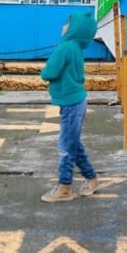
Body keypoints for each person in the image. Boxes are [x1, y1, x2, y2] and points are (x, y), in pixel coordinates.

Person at [40, 11, 99, 202]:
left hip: (71, 103)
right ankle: (91, 178)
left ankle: (65, 187)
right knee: (73, 142)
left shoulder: (64, 47)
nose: (63, 26)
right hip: (76, 101)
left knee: (66, 145)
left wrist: (46, 69)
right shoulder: (74, 48)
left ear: (75, 29)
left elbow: (49, 72)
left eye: (68, 23)